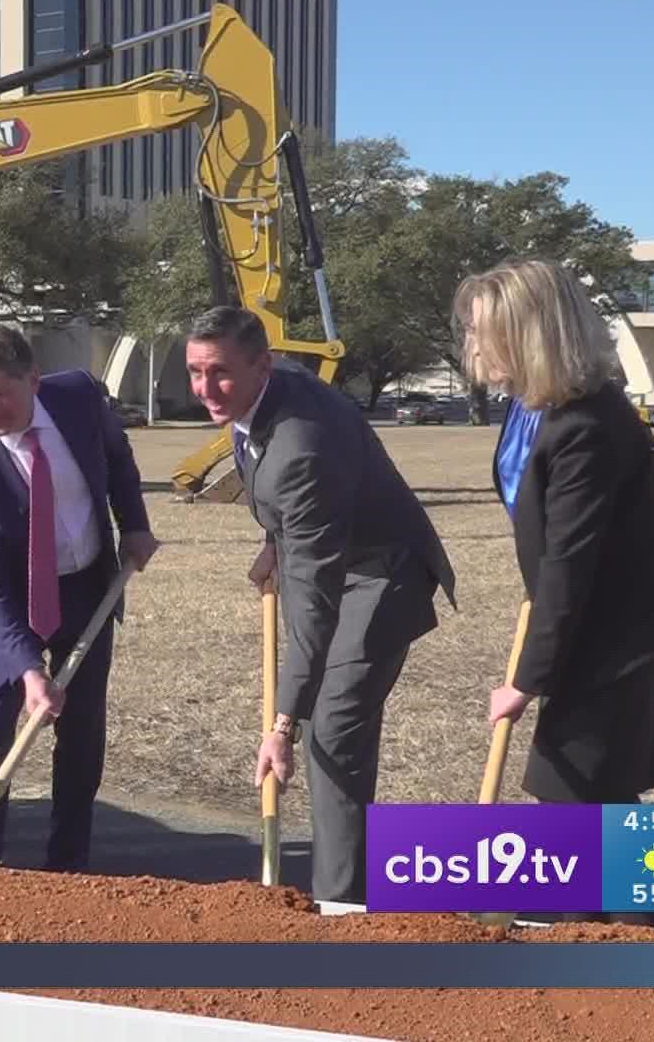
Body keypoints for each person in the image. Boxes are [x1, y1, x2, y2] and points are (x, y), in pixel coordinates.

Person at [184, 304, 456, 905]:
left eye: (220, 373)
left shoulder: (300, 445)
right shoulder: (265, 398)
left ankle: (343, 902)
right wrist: (272, 540)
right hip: (336, 558)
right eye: (196, 372)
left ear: (264, 364)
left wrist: (282, 723)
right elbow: (292, 506)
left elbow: (312, 605)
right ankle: (351, 886)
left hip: (383, 578)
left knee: (330, 731)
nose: (205, 389)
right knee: (330, 731)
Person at [455, 259, 654, 815]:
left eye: (482, 329)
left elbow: (570, 559)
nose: (472, 342)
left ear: (528, 335)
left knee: (572, 778)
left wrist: (525, 681)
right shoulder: (531, 406)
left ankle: (609, 900)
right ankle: (622, 898)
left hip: (624, 625)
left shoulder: (587, 426)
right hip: (592, 614)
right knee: (599, 779)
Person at [0, 323, 158, 873]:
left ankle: (67, 865)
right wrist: (28, 669)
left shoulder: (79, 397)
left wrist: (134, 524)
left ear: (34, 379)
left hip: (86, 588)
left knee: (81, 734)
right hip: (10, 603)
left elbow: (118, 455)